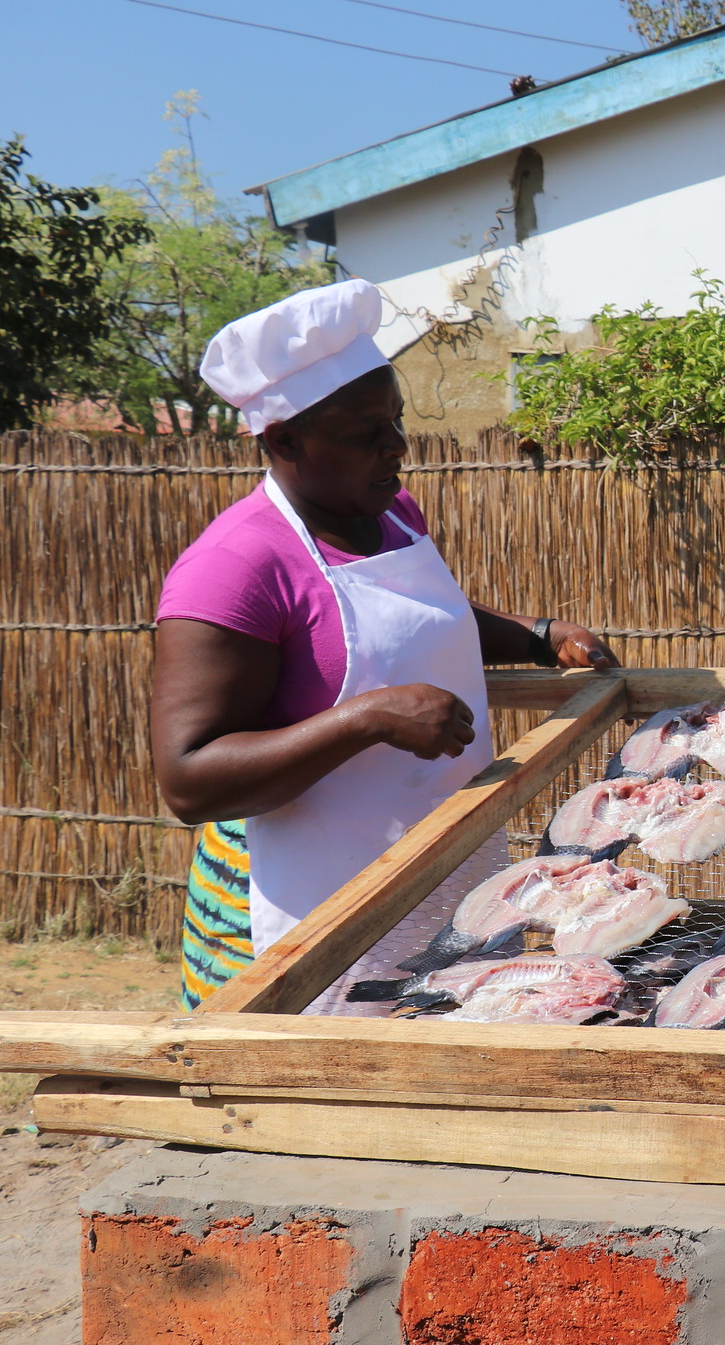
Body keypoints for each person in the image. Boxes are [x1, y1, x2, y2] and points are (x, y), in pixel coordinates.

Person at [152, 279, 617, 1007]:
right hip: (302, 912)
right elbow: (188, 779)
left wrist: (535, 635)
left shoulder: (391, 512)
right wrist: (365, 717)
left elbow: (421, 616)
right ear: (283, 438)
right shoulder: (234, 567)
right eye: (367, 433)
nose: (397, 446)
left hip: (442, 869)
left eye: (396, 421)